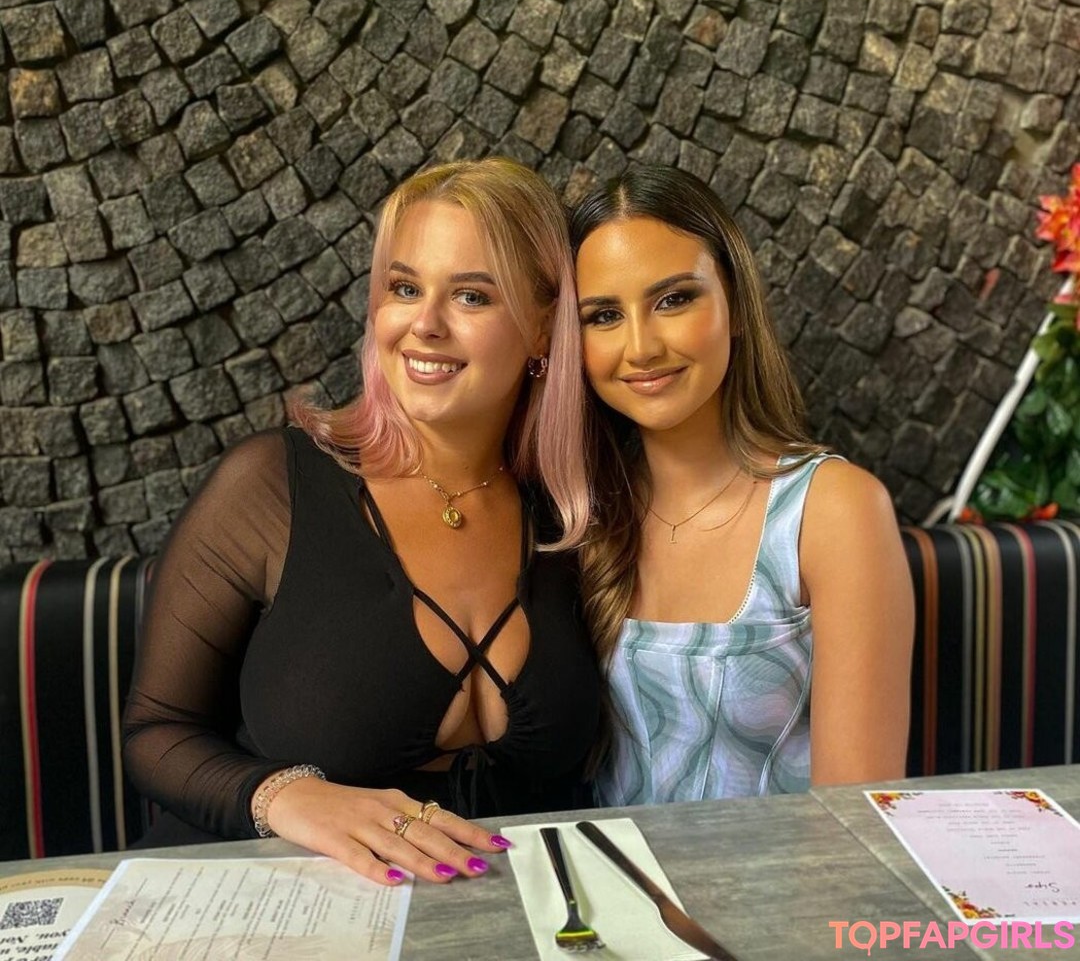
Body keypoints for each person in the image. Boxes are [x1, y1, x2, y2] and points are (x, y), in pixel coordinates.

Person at [122, 158, 601, 884]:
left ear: (543, 328)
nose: (424, 325)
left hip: (501, 914)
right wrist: (286, 796)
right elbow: (155, 731)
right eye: (404, 288)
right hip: (268, 905)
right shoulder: (271, 486)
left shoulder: (572, 516)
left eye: (471, 295)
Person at [568, 164, 913, 806]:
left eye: (674, 299)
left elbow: (859, 817)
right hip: (598, 871)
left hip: (787, 872)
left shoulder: (834, 510)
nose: (641, 347)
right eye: (605, 315)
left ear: (736, 306)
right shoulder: (579, 513)